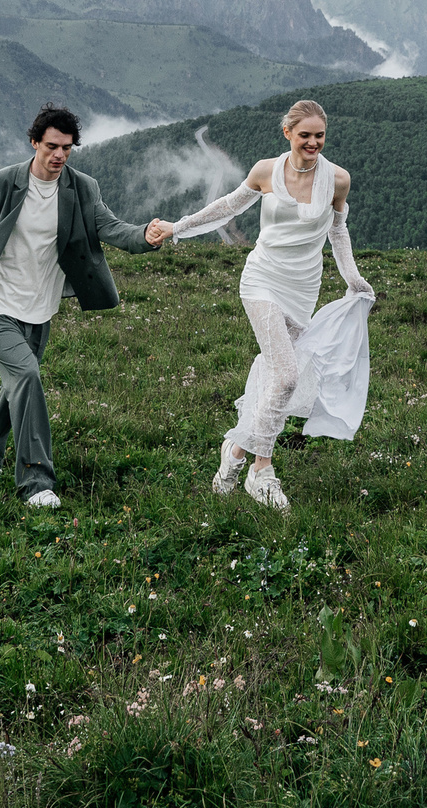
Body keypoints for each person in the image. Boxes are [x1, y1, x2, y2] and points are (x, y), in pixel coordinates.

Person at [148, 98, 371, 512]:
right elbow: (227, 206)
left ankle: (234, 451)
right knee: (286, 375)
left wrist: (353, 279)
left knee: (276, 375)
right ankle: (260, 471)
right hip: (262, 280)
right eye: (304, 135)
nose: (313, 143)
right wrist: (176, 228)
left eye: (319, 135)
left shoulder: (338, 180)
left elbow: (339, 233)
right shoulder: (266, 171)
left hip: (303, 289)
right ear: (287, 133)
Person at [0, 104, 160, 509]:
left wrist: (146, 234)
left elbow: (109, 227)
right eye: (52, 146)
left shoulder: (81, 187)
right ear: (34, 143)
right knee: (26, 376)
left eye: (68, 148)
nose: (59, 155)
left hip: (40, 309)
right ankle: (36, 483)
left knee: (17, 385)